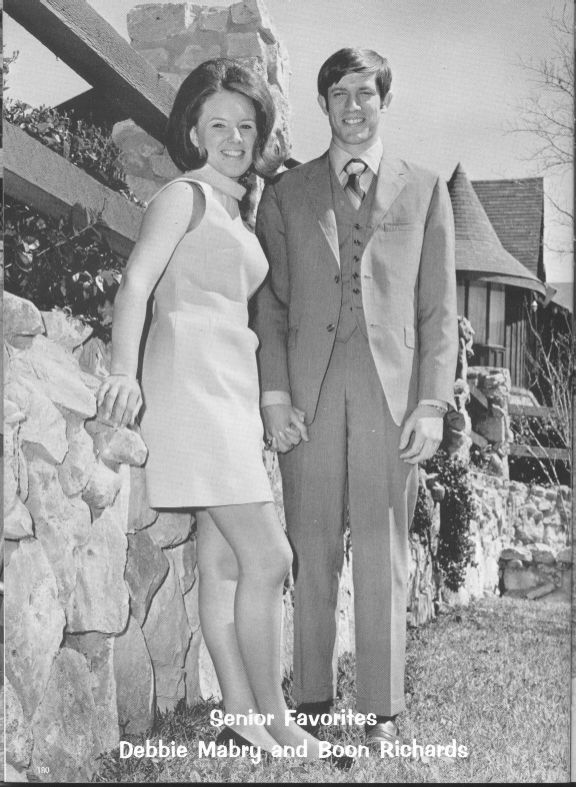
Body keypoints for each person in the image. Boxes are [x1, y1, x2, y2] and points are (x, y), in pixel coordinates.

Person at [96, 58, 350, 767]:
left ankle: (243, 721)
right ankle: (278, 722)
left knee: (226, 564)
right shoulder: (184, 196)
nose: (236, 139)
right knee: (270, 556)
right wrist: (121, 371)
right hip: (191, 389)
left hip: (228, 390)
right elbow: (136, 283)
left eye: (246, 125)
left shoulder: (234, 204)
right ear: (192, 132)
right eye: (219, 126)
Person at [253, 48, 458, 745]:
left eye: (365, 93)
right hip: (308, 392)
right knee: (310, 548)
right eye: (338, 93)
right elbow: (271, 305)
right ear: (323, 104)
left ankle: (381, 711)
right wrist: (274, 395)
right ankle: (311, 701)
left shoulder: (425, 189)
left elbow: (438, 309)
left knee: (382, 549)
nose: (352, 106)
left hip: (389, 396)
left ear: (384, 100)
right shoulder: (287, 193)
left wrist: (432, 403)